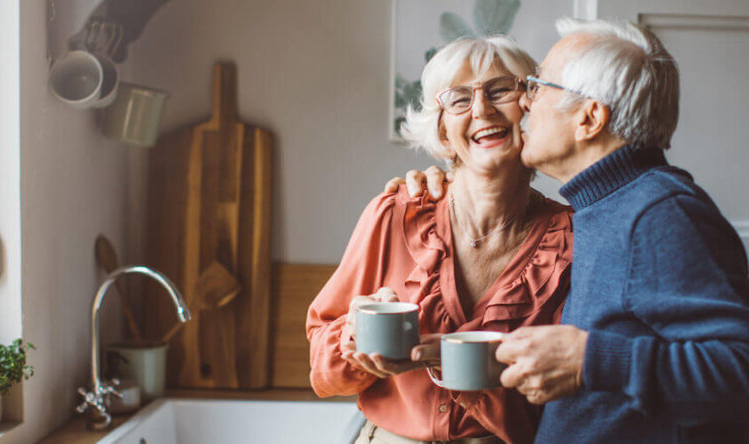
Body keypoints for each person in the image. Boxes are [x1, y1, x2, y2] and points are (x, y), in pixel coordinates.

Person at [390, 17, 749, 443]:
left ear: (589, 118)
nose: (524, 102)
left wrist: (589, 360)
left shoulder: (658, 214)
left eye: (539, 86)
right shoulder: (605, 207)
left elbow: (739, 371)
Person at [307, 36, 574, 444]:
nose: (482, 109)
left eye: (501, 89)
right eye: (459, 100)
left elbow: (570, 396)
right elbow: (322, 368)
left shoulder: (572, 239)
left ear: (531, 109)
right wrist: (353, 336)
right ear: (444, 133)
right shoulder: (395, 212)